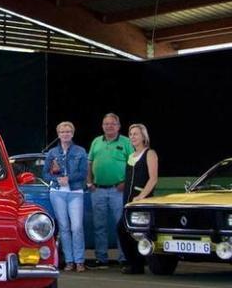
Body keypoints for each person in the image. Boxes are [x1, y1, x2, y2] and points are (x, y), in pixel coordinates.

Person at [86, 112, 134, 268]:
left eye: (112, 123)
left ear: (119, 126)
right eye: (106, 124)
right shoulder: (96, 142)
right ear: (102, 126)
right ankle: (101, 259)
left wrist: (125, 183)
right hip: (97, 190)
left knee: (121, 225)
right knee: (99, 225)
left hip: (118, 191)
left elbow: (133, 166)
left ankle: (124, 258)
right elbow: (89, 163)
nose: (109, 126)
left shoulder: (126, 142)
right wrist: (89, 182)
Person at [43, 121, 88, 273]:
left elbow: (83, 173)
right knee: (63, 227)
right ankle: (69, 261)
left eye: (68, 131)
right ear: (58, 134)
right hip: (57, 192)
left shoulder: (80, 151)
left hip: (75, 192)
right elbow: (45, 173)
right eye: (62, 132)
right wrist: (56, 179)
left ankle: (80, 260)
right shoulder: (52, 153)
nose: (65, 134)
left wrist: (69, 179)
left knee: (77, 226)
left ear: (73, 133)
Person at [118, 123, 159, 275]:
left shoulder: (150, 154)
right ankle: (135, 264)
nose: (133, 137)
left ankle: (144, 263)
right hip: (128, 202)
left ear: (143, 136)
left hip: (142, 201)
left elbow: (153, 179)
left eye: (136, 134)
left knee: (141, 232)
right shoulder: (131, 156)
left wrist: (142, 196)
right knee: (124, 230)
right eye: (131, 134)